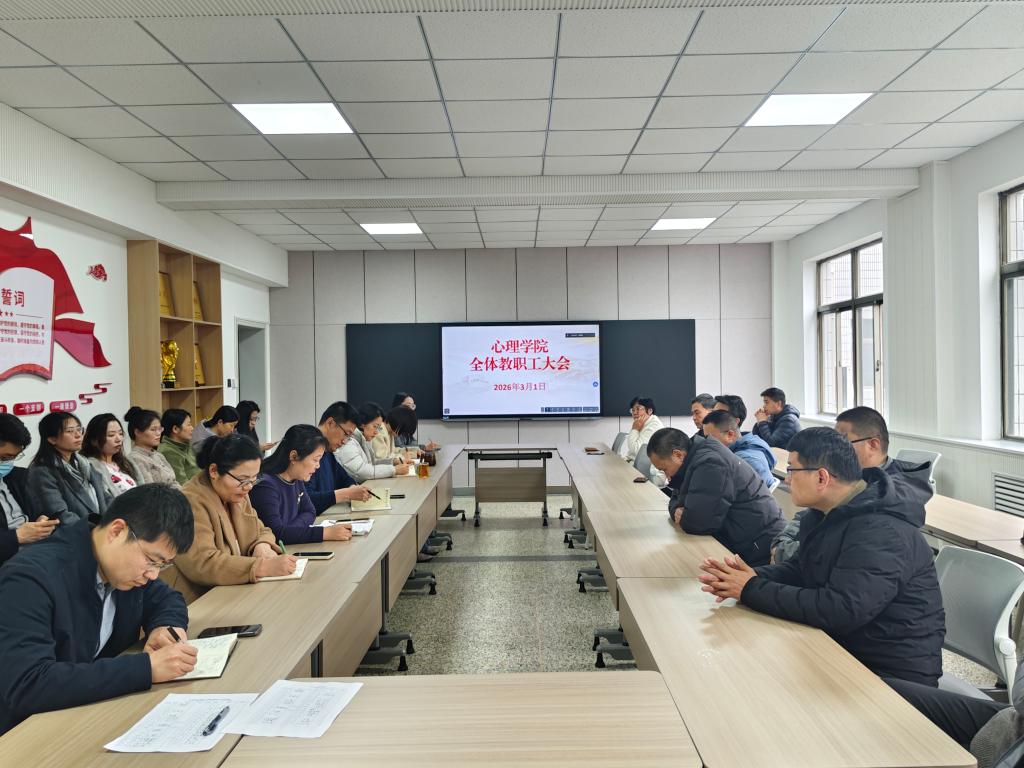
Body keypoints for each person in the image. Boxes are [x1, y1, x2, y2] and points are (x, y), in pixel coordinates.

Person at [698, 427, 945, 687]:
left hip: (890, 674)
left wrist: (750, 588)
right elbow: (800, 569)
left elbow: (839, 609)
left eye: (792, 470)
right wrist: (749, 576)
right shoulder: (825, 513)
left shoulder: (881, 531)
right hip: (844, 647)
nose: (786, 480)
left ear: (822, 477)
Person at [0, 483, 198, 735]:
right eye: (152, 560)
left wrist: (165, 626)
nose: (153, 574)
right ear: (117, 531)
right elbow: (28, 684)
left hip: (91, 715)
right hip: (27, 734)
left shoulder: (122, 569)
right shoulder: (30, 579)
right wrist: (146, 668)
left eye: (163, 565)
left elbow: (167, 598)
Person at [772, 406, 934, 564]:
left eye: (844, 441)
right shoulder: (848, 479)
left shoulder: (891, 493)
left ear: (873, 445)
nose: (835, 447)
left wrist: (785, 552)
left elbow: (834, 548)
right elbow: (812, 514)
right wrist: (784, 541)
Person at [163, 434, 296, 603]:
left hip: (235, 591)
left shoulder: (237, 492)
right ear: (214, 471)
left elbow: (262, 529)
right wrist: (261, 567)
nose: (248, 487)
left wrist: (261, 545)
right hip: (199, 599)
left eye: (253, 479)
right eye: (242, 480)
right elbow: (202, 562)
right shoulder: (189, 501)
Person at [646, 427, 784, 566]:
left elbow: (697, 523)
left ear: (678, 455)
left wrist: (684, 512)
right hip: (741, 538)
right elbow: (676, 499)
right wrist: (676, 509)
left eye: (664, 469)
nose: (666, 476)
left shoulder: (711, 463)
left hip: (760, 548)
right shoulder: (693, 458)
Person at [249, 424, 353, 545]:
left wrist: (290, 531)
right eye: (315, 460)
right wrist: (324, 533)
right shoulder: (265, 486)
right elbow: (276, 534)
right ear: (294, 456)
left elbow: (310, 512)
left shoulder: (296, 478)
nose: (318, 466)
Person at [27, 411, 111, 526]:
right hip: (77, 532)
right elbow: (60, 515)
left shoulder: (84, 464)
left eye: (79, 429)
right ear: (52, 439)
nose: (78, 435)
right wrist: (97, 531)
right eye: (70, 431)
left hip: (103, 528)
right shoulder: (42, 471)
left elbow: (105, 497)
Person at [0, 413, 59, 565]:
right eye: (5, 457)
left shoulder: (18, 476)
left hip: (36, 553)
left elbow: (38, 510)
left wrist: (42, 521)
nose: (8, 463)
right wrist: (17, 536)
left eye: (14, 457)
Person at [306, 401, 372, 514]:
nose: (344, 441)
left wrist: (352, 488)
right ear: (330, 423)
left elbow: (344, 478)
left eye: (349, 437)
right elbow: (305, 499)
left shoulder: (328, 451)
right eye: (346, 434)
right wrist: (346, 494)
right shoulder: (306, 449)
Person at [701, 410, 777, 489]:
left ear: (730, 434)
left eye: (711, 438)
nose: (708, 443)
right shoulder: (753, 442)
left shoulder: (742, 461)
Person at [339, 403, 413, 481]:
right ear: (362, 423)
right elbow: (361, 471)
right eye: (375, 426)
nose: (376, 432)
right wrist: (394, 470)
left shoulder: (364, 438)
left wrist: (394, 462)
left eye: (378, 428)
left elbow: (373, 463)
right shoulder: (349, 442)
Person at [81, 413, 142, 498]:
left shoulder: (126, 463)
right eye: (111, 435)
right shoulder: (90, 467)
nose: (119, 439)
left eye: (120, 434)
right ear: (94, 440)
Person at [124, 407, 179, 487]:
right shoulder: (135, 459)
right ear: (137, 432)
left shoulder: (158, 455)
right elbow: (149, 489)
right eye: (153, 430)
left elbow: (173, 482)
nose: (158, 433)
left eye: (160, 429)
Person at [158, 408, 200, 485]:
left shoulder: (186, 445)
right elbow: (182, 484)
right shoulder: (168, 451)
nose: (192, 428)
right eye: (189, 425)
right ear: (175, 429)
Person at [618, 396, 666, 463]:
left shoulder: (654, 425)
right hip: (632, 461)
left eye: (638, 409)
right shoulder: (641, 422)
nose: (634, 413)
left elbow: (636, 450)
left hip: (640, 466)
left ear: (650, 411)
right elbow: (632, 450)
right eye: (633, 410)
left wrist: (634, 429)